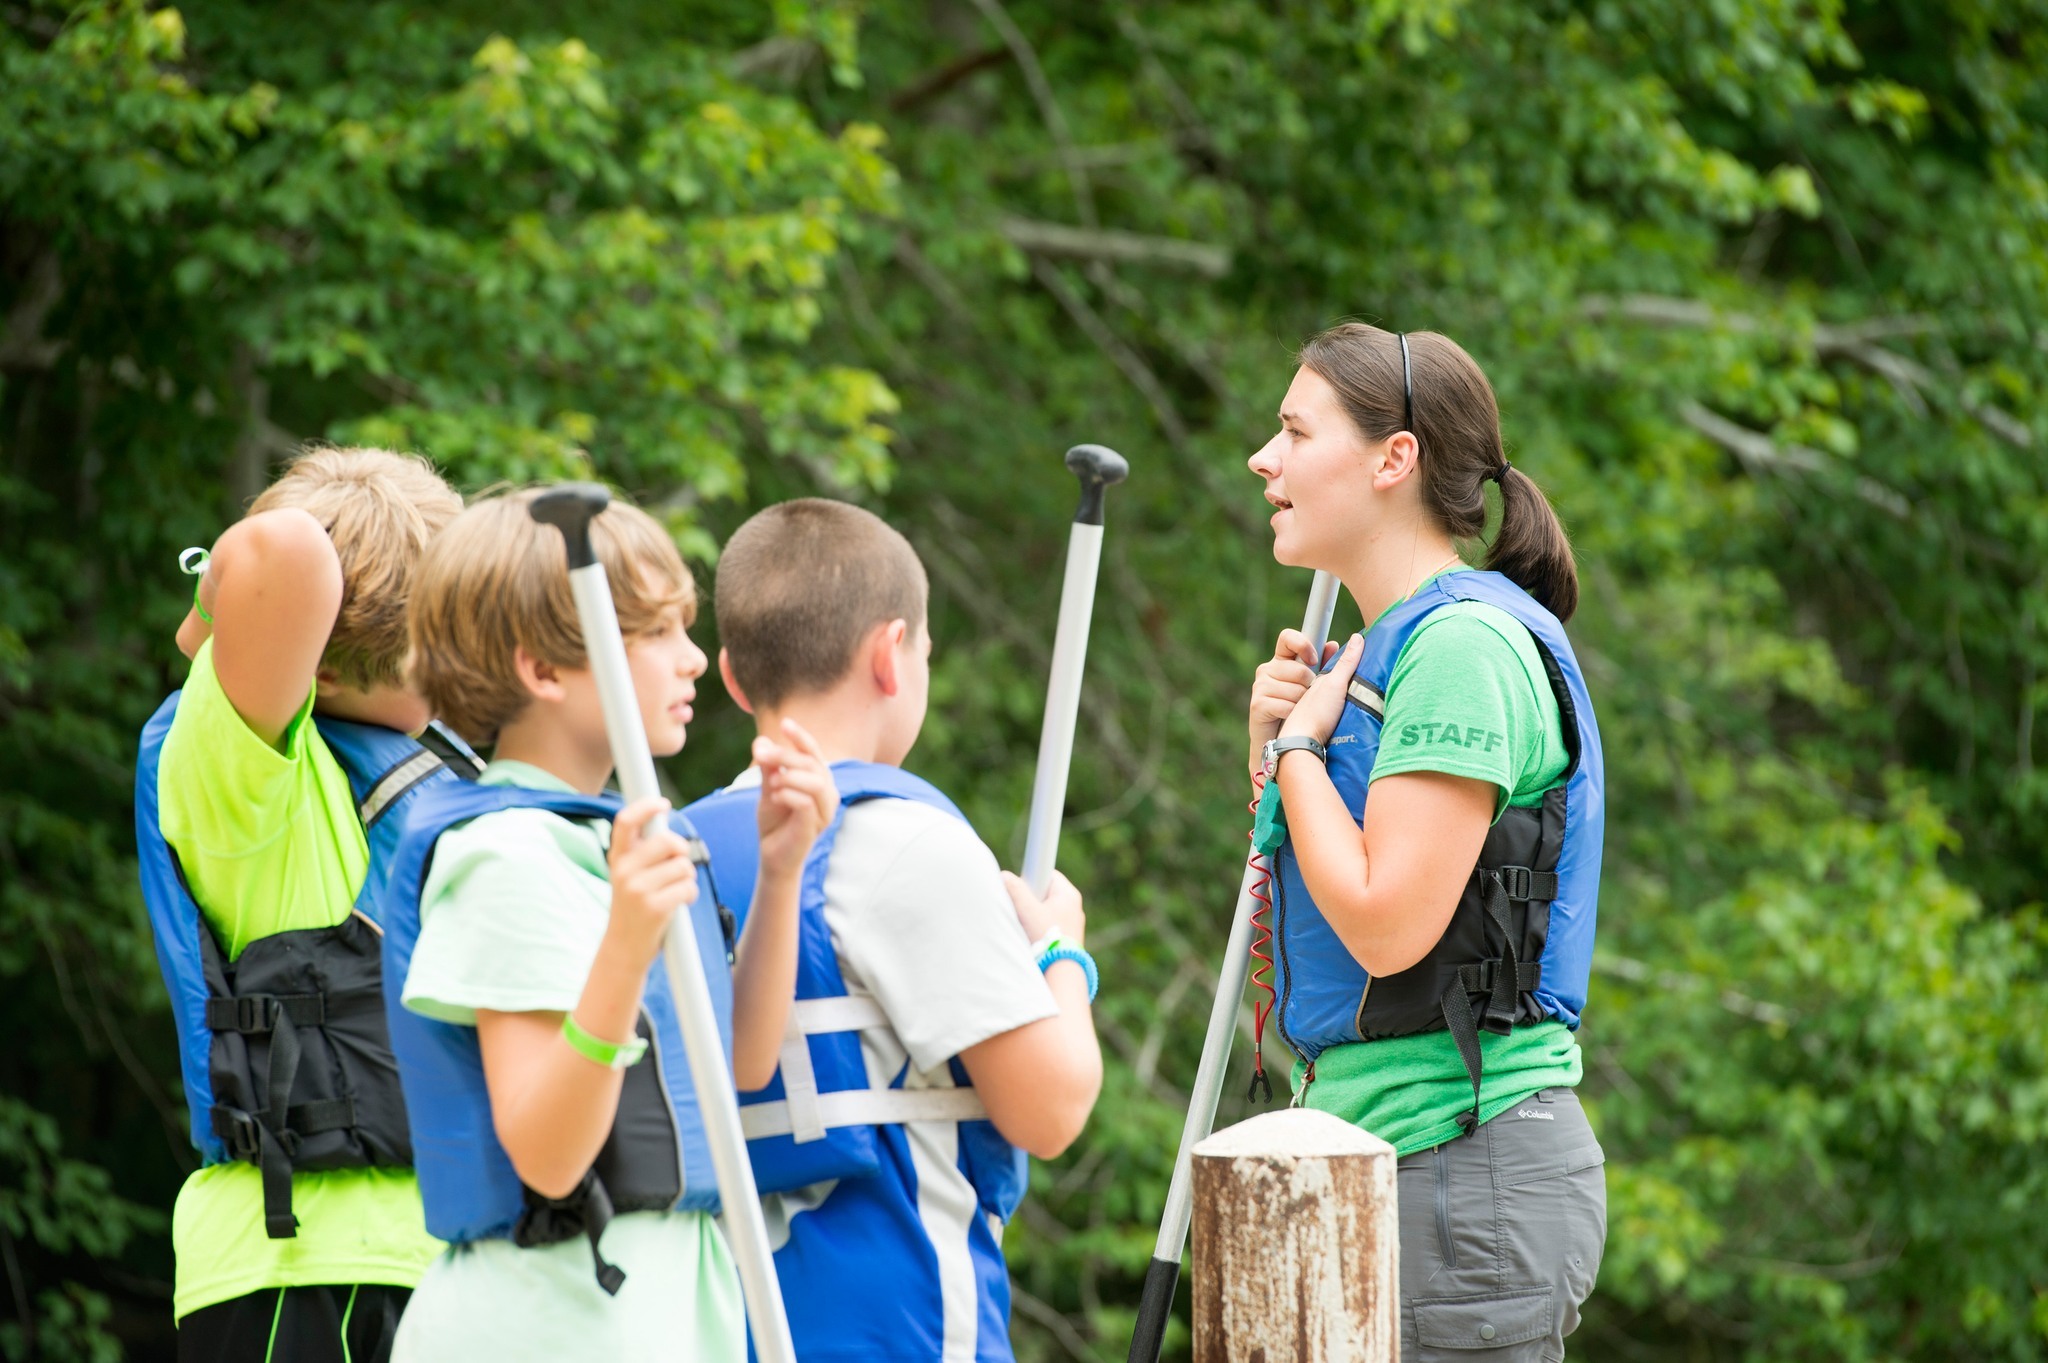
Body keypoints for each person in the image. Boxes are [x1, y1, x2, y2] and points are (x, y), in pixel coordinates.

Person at [379, 488, 834, 1361]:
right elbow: (549, 1156)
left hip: (665, 1312)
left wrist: (782, 873)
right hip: (550, 1321)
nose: (693, 659)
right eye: (655, 632)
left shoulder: (614, 840)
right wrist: (625, 945)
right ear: (544, 671)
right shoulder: (507, 857)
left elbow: (738, 1065)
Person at [1245, 324, 1607, 1360]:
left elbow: (1384, 926)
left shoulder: (1459, 649)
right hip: (1368, 1158)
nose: (1262, 459)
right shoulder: (1381, 655)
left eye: (1294, 432)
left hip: (1459, 1166)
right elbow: (1315, 912)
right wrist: (1276, 751)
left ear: (1392, 458)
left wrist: (1299, 753)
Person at [681, 498, 1103, 1363]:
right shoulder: (910, 846)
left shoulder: (673, 850)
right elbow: (1052, 1108)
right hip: (901, 1325)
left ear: (732, 677)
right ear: (890, 653)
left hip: (718, 1328)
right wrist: (1063, 952)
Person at [134, 447, 467, 1362]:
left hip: (463, 1263)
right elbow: (282, 552)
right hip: (306, 1267)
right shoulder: (246, 775)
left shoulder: (450, 778)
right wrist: (207, 619)